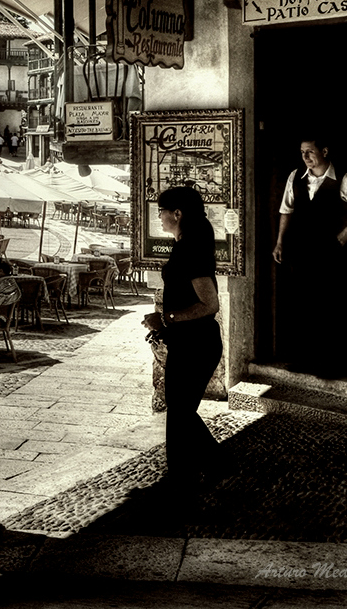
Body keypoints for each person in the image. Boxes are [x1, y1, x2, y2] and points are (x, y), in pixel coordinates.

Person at [140, 185, 226, 500]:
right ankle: (202, 468)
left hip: (198, 344)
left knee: (179, 412)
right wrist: (165, 324)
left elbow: (209, 304)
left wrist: (166, 319)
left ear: (177, 213)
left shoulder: (190, 250)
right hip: (190, 342)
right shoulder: (186, 243)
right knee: (180, 411)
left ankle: (186, 477)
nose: (159, 216)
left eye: (162, 210)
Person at [273, 137, 347, 375]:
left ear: (325, 151)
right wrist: (279, 243)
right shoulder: (295, 177)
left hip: (331, 255)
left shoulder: (345, 179)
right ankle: (304, 359)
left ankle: (330, 364)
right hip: (302, 253)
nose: (305, 157)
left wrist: (344, 235)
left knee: (330, 305)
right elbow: (286, 210)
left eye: (310, 152)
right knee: (303, 304)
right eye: (302, 153)